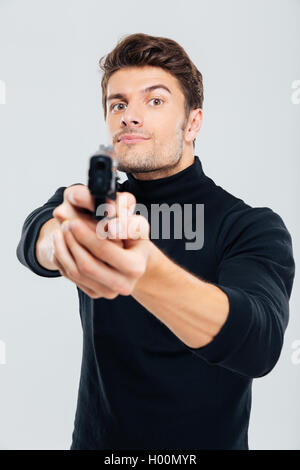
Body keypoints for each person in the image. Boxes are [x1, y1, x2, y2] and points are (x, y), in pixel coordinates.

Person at [16, 33, 295, 450]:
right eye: (119, 103)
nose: (129, 116)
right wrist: (66, 243)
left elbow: (258, 344)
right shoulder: (88, 205)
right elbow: (35, 240)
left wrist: (143, 269)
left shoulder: (250, 226)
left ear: (194, 122)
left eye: (155, 101)